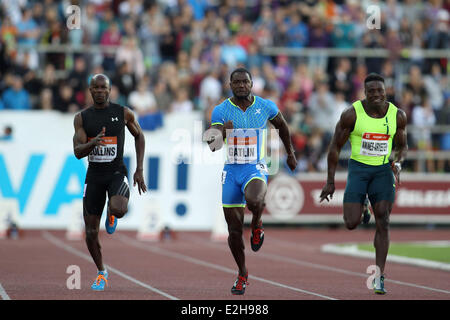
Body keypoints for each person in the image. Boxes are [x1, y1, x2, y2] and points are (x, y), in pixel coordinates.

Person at [205, 68, 297, 295]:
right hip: (232, 170)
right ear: (230, 85)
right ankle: (242, 273)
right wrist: (221, 133)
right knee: (234, 231)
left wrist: (291, 153)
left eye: (245, 82)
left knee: (255, 200)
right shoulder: (221, 110)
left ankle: (257, 224)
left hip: (254, 167)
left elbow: (282, 126)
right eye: (236, 83)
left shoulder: (265, 106)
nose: (241, 86)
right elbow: (213, 145)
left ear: (252, 83)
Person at [319, 73, 408, 295]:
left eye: (380, 90)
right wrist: (330, 181)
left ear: (386, 91)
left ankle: (379, 275)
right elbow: (334, 148)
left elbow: (402, 146)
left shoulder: (397, 116)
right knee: (350, 222)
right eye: (371, 91)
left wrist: (398, 162)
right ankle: (365, 204)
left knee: (384, 220)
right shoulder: (352, 114)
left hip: (382, 171)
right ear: (365, 93)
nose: (376, 95)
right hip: (358, 170)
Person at [72, 74, 147, 291]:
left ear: (110, 89)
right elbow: (77, 152)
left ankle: (112, 212)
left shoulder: (122, 113)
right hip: (94, 176)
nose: (99, 91)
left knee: (119, 208)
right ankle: (102, 271)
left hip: (116, 172)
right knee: (91, 232)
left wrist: (139, 169)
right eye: (95, 88)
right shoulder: (81, 118)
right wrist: (92, 144)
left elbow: (139, 136)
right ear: (90, 90)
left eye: (103, 88)